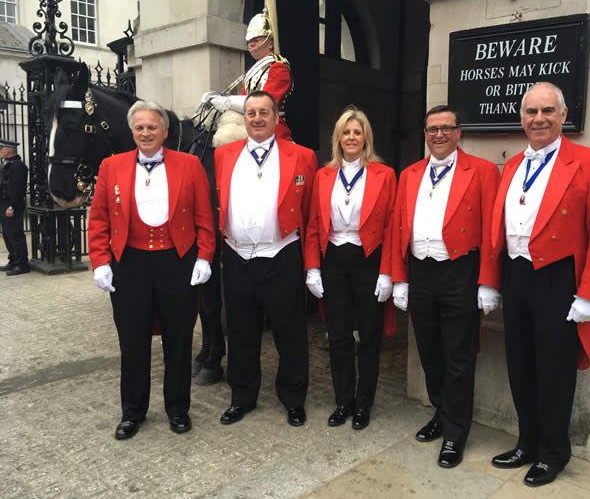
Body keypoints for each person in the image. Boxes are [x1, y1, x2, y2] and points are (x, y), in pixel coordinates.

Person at [489, 82, 590, 487]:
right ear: (522, 117)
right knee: (520, 365)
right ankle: (527, 442)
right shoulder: (512, 165)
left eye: (548, 111)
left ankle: (553, 453)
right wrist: (492, 280)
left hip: (558, 280)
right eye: (531, 112)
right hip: (516, 274)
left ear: (563, 115)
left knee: (554, 370)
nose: (539, 119)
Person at [87, 101, 216, 440]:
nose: (146, 133)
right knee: (132, 342)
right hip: (129, 264)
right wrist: (100, 261)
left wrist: (204, 257)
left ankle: (178, 408)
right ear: (132, 132)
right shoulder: (111, 166)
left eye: (152, 127)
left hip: (177, 262)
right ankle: (133, 412)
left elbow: (204, 216)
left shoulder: (189, 165)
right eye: (140, 127)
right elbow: (98, 219)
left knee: (179, 339)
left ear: (165, 131)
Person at [392, 105, 501, 468]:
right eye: (432, 129)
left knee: (458, 356)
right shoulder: (409, 174)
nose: (439, 135)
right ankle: (442, 411)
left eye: (446, 129)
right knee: (429, 352)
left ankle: (456, 432)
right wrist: (399, 277)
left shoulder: (483, 171)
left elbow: (491, 230)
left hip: (460, 272)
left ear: (459, 133)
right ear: (425, 133)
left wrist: (488, 281)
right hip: (420, 272)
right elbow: (397, 228)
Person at [215, 90, 317, 428]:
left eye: (263, 112)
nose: (257, 118)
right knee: (241, 331)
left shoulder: (301, 156)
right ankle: (242, 397)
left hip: (282, 253)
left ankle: (293, 399)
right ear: (243, 118)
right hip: (237, 255)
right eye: (250, 113)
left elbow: (309, 209)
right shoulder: (224, 154)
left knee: (290, 332)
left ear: (276, 118)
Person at [304, 107, 396, 430]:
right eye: (346, 132)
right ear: (338, 138)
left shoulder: (384, 174)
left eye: (358, 132)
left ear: (366, 138)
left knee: (370, 336)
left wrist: (388, 272)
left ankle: (364, 404)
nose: (352, 137)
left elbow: (391, 227)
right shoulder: (323, 175)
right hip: (334, 262)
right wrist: (312, 268)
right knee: (339, 334)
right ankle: (343, 400)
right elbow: (314, 224)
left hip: (368, 260)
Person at [203, 0, 293, 143]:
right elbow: (245, 98)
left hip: (273, 128)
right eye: (249, 41)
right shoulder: (254, 70)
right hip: (248, 124)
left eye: (256, 40)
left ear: (270, 42)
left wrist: (228, 102)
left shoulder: (278, 67)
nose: (251, 44)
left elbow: (265, 103)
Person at [0, 138, 29, 276]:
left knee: (15, 235)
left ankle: (22, 264)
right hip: (4, 203)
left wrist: (12, 206)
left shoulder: (18, 166)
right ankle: (13, 260)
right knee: (7, 234)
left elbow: (18, 189)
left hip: (12, 204)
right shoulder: (8, 164)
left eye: (1, 149)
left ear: (7, 150)